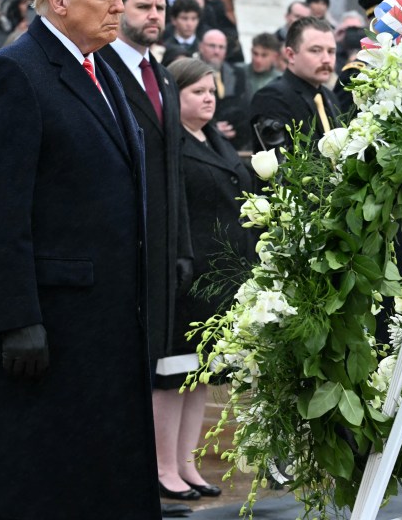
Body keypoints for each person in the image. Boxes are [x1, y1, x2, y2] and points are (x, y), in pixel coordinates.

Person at [0, 0, 161, 519]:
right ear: (59, 1)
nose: (119, 5)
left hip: (105, 321)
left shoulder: (103, 69)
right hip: (50, 329)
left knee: (98, 484)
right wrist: (17, 321)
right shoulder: (14, 73)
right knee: (40, 489)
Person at [96, 0, 194, 507]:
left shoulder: (165, 77)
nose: (153, 16)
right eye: (142, 7)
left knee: (153, 364)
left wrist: (180, 245)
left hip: (161, 249)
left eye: (159, 8)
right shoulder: (102, 68)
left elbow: (172, 167)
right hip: (121, 244)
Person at [164, 56, 257, 499]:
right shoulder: (171, 141)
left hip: (219, 275)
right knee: (174, 373)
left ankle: (186, 463)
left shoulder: (214, 137)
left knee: (201, 374)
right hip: (189, 272)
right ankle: (164, 465)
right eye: (197, 92)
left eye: (211, 92)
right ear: (173, 95)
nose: (208, 99)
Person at [250, 16, 340, 151]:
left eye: (331, 51)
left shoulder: (329, 97)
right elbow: (281, 165)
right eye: (315, 50)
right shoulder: (272, 97)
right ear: (291, 55)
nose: (326, 59)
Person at [197, 28, 250, 150]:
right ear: (201, 47)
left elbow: (245, 105)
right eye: (212, 46)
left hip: (234, 141)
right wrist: (213, 128)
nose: (217, 51)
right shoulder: (191, 73)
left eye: (221, 47)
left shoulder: (238, 74)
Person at [239, 31, 281, 96]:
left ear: (275, 56)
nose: (258, 60)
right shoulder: (237, 73)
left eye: (264, 55)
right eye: (255, 54)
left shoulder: (280, 81)